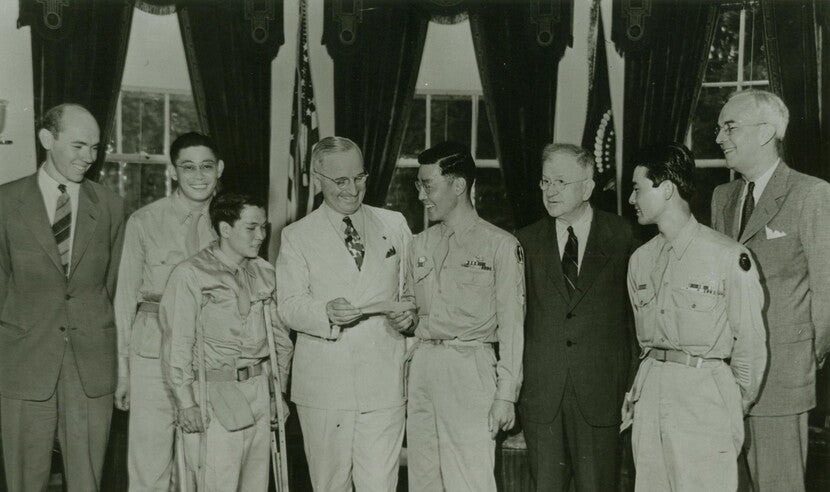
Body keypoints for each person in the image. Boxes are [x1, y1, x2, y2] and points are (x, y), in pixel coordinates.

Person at [625, 142, 767, 491]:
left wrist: (732, 403)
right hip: (651, 393)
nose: (631, 199)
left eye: (637, 188)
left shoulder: (727, 256)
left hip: (704, 397)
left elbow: (750, 343)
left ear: (668, 188)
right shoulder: (640, 260)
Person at [275, 136, 413, 491]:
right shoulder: (296, 236)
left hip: (383, 380)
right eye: (340, 181)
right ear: (317, 179)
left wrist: (408, 317)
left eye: (359, 177)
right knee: (329, 485)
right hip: (324, 386)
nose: (353, 189)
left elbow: (412, 293)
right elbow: (288, 304)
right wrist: (324, 312)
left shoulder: (395, 224)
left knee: (380, 484)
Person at [0, 103, 125, 491]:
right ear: (46, 139)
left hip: (91, 362)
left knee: (88, 479)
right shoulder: (5, 202)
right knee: (24, 478)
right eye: (78, 146)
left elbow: (113, 284)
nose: (88, 157)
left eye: (95, 147)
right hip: (24, 359)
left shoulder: (109, 205)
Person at [710, 89, 830, 491]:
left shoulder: (811, 194)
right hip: (725, 380)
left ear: (766, 133)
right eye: (719, 127)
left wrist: (800, 357)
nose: (719, 137)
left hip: (782, 378)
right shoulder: (722, 197)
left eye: (730, 127)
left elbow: (826, 295)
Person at [516, 143, 638, 491]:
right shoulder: (524, 242)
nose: (550, 191)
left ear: (587, 187)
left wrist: (631, 386)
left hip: (602, 397)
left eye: (560, 182)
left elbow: (635, 322)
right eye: (545, 182)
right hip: (543, 400)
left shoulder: (623, 237)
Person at [404, 141, 525, 492]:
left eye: (428, 185)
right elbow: (412, 309)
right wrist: (404, 320)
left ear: (458, 186)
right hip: (424, 364)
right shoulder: (419, 244)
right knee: (423, 480)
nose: (421, 196)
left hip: (470, 368)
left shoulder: (500, 245)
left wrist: (506, 395)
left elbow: (513, 326)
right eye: (419, 185)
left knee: (469, 482)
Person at [159, 191, 293, 491]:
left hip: (259, 390)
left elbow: (280, 341)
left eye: (264, 227)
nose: (261, 236)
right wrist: (186, 403)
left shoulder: (264, 272)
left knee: (255, 485)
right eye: (252, 227)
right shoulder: (191, 274)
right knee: (218, 482)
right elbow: (177, 343)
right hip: (214, 393)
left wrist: (277, 392)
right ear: (225, 229)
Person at [113, 132, 223, 490]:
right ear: (174, 172)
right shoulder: (145, 221)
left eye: (206, 166)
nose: (198, 175)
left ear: (219, 168)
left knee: (200, 463)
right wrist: (123, 372)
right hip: (152, 352)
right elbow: (125, 299)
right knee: (150, 464)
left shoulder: (232, 224)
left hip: (207, 354)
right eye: (187, 167)